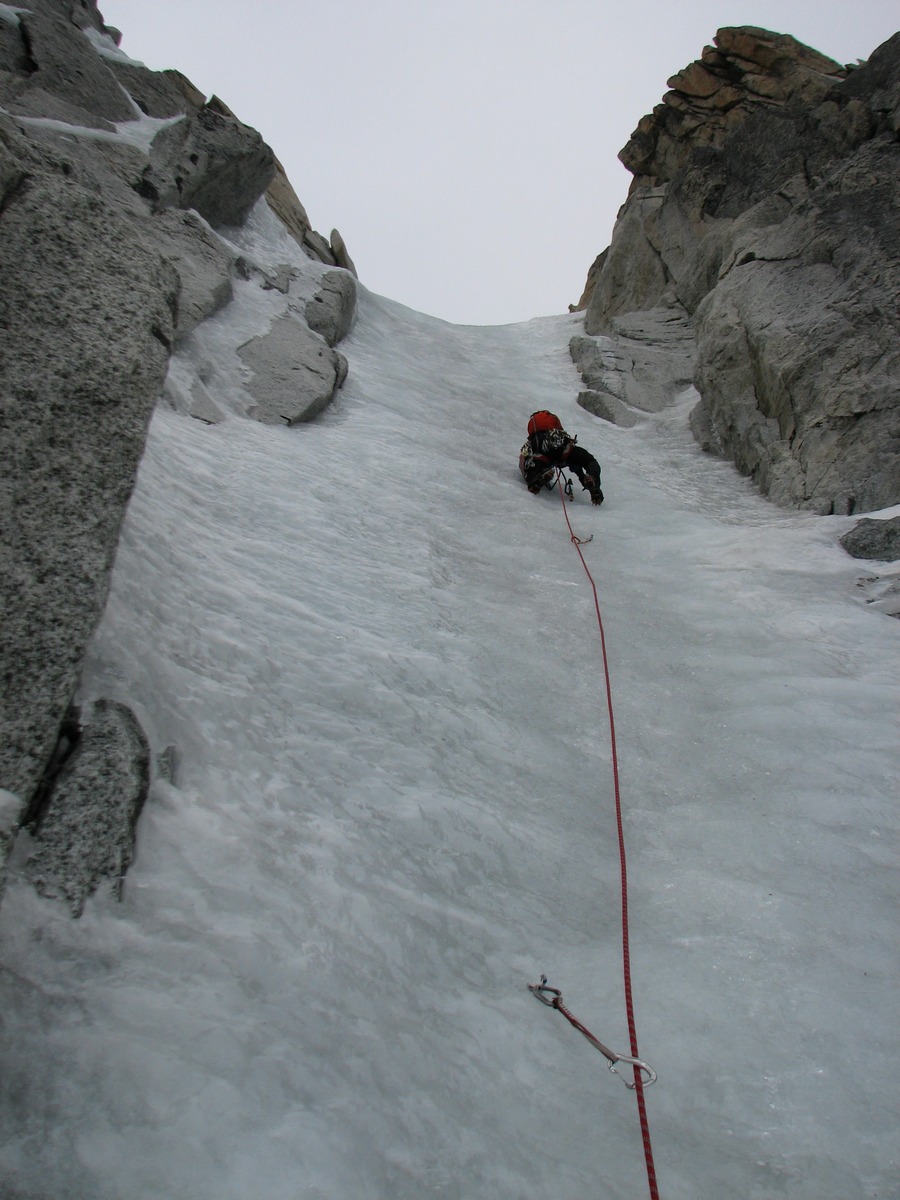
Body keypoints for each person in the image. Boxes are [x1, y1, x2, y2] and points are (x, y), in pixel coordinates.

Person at [519, 410, 603, 505]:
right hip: (561, 445)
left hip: (540, 448)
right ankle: (593, 479)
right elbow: (561, 431)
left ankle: (537, 476)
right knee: (588, 461)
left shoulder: (533, 424)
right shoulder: (553, 418)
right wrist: (582, 476)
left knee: (530, 461)